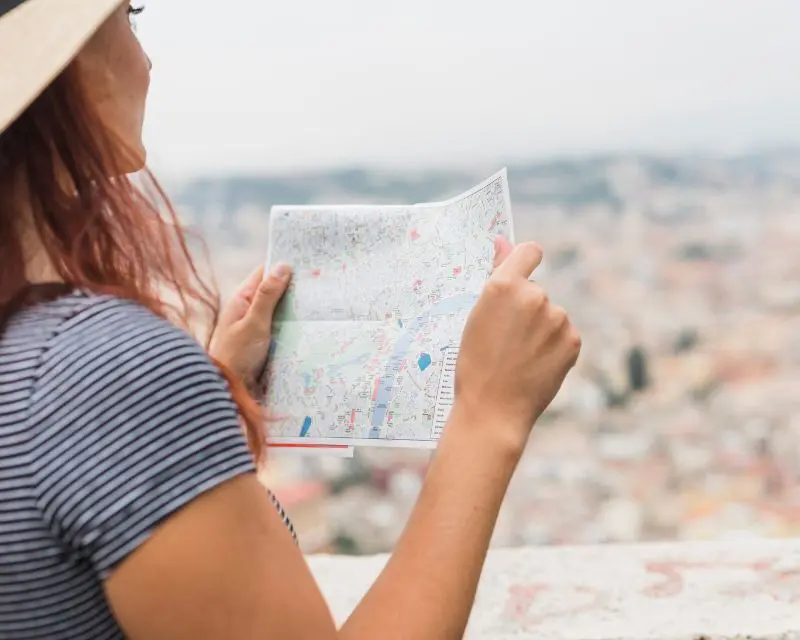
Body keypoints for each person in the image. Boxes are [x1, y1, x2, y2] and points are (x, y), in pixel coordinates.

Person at [0, 1, 581, 638]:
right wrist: (488, 415)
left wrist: (216, 387)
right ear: (73, 63)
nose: (145, 59)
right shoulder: (97, 369)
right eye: (130, 16)